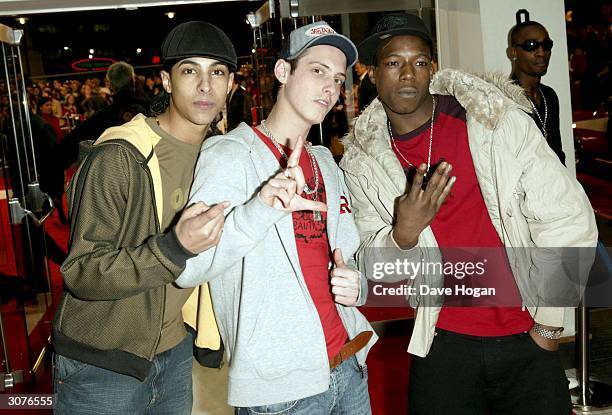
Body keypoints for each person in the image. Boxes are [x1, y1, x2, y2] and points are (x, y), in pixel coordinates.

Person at [339, 13, 597, 415]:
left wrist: (549, 323)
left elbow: (568, 217)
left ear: (432, 68)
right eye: (393, 62)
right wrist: (403, 233)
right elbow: (377, 270)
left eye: (420, 61)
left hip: (526, 334)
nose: (408, 73)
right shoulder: (361, 161)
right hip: (442, 340)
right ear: (371, 72)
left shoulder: (494, 122)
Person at [176, 21, 377, 414]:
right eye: (317, 71)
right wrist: (259, 211)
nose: (329, 89)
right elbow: (188, 267)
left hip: (349, 363)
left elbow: (348, 255)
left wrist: (359, 284)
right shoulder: (231, 155)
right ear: (283, 72)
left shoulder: (324, 163)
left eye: (337, 79)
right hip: (281, 389)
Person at [52, 21, 237, 414]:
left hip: (174, 350)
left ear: (231, 85)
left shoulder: (221, 158)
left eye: (217, 72)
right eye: (190, 71)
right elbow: (82, 271)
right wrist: (173, 247)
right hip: (102, 362)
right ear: (167, 82)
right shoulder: (121, 157)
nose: (205, 85)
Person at [508, 10, 565, 164]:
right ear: (514, 52)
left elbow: (558, 153)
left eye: (546, 45)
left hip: (556, 185)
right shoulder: (504, 99)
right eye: (531, 45)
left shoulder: (549, 96)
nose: (541, 53)